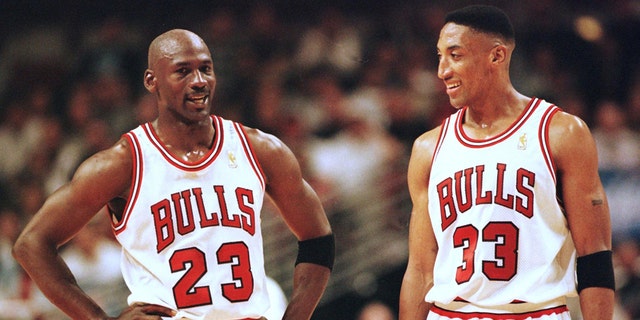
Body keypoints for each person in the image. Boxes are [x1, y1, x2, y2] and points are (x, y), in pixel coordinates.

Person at [12, 29, 334, 320]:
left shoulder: (261, 150)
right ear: (152, 81)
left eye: (206, 68)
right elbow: (32, 244)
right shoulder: (122, 164)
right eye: (183, 70)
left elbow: (318, 238)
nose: (199, 80)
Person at [399, 5, 614, 320]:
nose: (442, 70)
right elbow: (419, 271)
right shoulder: (428, 148)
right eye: (440, 56)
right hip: (451, 313)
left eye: (455, 56)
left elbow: (595, 256)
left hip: (534, 312)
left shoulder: (561, 133)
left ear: (496, 56)